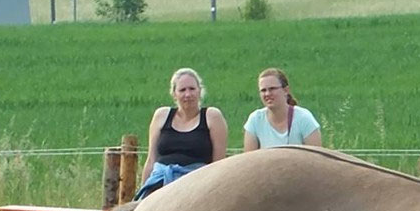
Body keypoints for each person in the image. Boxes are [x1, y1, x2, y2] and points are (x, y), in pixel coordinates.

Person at [137, 67, 228, 200]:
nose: (188, 94)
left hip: (196, 184)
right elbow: (151, 160)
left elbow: (218, 163)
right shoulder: (161, 115)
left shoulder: (212, 116)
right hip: (160, 182)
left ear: (200, 91)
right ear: (174, 94)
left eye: (192, 89)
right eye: (182, 90)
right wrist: (143, 193)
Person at [242, 67, 323, 150]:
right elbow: (250, 159)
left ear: (286, 90)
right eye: (263, 90)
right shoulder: (255, 120)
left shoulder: (304, 118)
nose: (267, 94)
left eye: (272, 89)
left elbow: (316, 158)